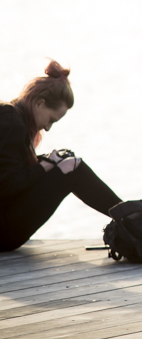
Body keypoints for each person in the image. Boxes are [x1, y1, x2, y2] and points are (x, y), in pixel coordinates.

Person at [0, 61, 121, 252]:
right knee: (73, 169)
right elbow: (6, 185)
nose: (48, 128)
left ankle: (131, 217)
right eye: (51, 120)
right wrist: (46, 165)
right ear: (40, 103)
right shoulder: (11, 122)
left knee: (69, 165)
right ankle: (134, 218)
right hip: (4, 233)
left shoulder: (11, 118)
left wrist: (45, 162)